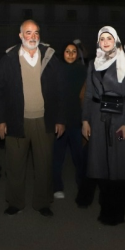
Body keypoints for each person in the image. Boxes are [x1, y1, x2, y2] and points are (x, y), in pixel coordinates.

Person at [0, 20, 65, 217]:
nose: (33, 36)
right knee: (15, 165)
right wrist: (0, 120)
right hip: (16, 120)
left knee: (44, 165)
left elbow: (60, 91)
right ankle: (15, 202)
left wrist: (60, 119)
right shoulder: (9, 59)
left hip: (44, 121)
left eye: (36, 32)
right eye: (28, 32)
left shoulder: (50, 57)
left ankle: (42, 203)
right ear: (20, 35)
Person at [80, 27, 125, 225]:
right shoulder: (94, 63)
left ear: (116, 41)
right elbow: (89, 94)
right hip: (97, 118)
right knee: (100, 163)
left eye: (109, 38)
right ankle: (105, 208)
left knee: (118, 163)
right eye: (102, 39)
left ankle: (116, 212)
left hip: (119, 119)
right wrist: (85, 120)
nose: (105, 42)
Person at [53, 42, 86, 204]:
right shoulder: (56, 70)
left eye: (74, 51)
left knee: (79, 157)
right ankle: (57, 186)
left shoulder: (83, 70)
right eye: (67, 51)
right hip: (60, 120)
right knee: (57, 157)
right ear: (62, 53)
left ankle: (82, 185)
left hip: (77, 120)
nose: (71, 54)